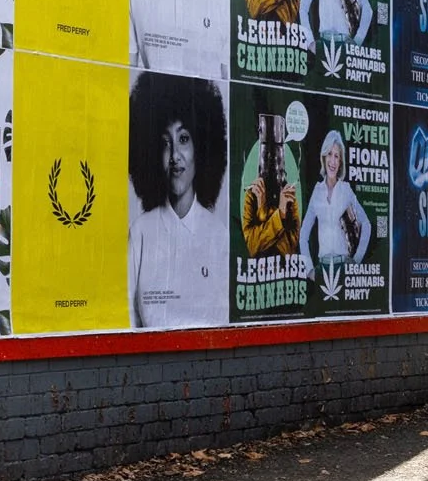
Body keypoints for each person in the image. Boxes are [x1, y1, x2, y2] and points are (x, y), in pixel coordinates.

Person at [127, 72, 228, 329]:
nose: (174, 156)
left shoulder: (218, 234)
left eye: (183, 139)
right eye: (165, 143)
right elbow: (128, 318)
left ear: (201, 147)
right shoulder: (140, 232)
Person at [298, 130, 372, 275]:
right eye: (330, 154)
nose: (332, 161)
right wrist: (309, 270)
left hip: (344, 267)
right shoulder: (317, 192)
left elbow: (366, 224)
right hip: (322, 268)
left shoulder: (346, 190)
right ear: (324, 157)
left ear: (340, 162)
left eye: (337, 156)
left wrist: (356, 260)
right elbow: (303, 235)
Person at [240, 111, 301, 259]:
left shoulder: (289, 197)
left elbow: (289, 250)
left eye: (276, 154)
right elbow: (252, 247)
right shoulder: (251, 196)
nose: (272, 162)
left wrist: (267, 213)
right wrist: (264, 208)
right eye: (266, 155)